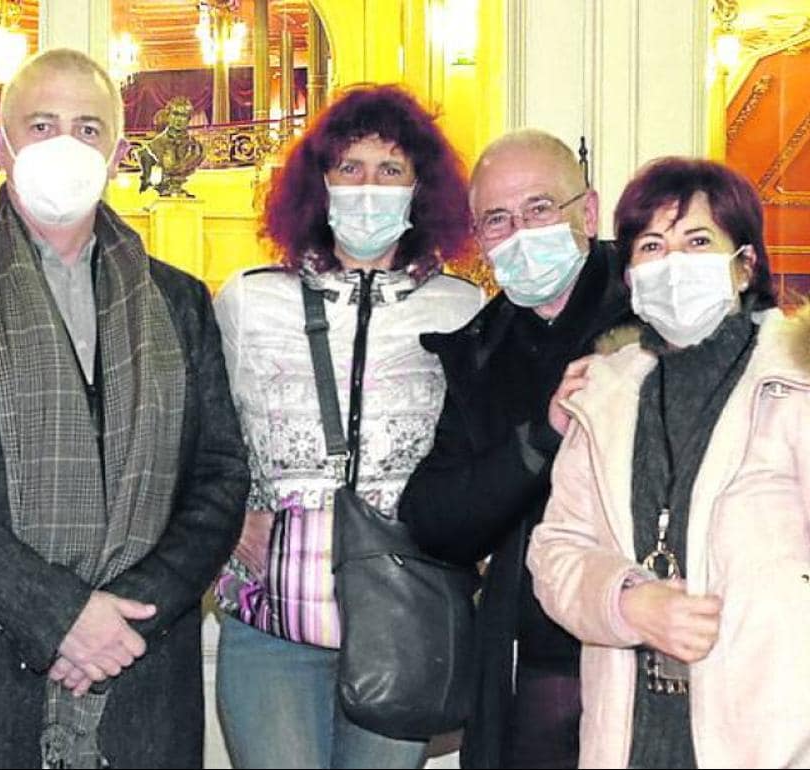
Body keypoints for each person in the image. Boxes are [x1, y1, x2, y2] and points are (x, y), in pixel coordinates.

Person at [0, 48, 251, 768]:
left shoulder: (179, 301)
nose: (65, 146)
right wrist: (62, 616)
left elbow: (220, 475)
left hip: (137, 665)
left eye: (87, 127)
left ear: (119, 151)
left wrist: (126, 614)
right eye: (41, 125)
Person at [210, 84, 485, 769]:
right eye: (350, 168)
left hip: (405, 623)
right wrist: (224, 519)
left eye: (391, 170)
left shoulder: (462, 308)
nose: (370, 186)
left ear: (419, 189)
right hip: (272, 621)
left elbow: (476, 459)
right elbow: (198, 439)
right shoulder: (248, 301)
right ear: (320, 183)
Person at [527, 157, 810, 768]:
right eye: (651, 245)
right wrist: (626, 601)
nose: (674, 262)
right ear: (629, 275)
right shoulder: (603, 391)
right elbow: (555, 551)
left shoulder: (795, 385)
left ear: (746, 264)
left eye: (698, 240)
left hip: (772, 741)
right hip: (630, 736)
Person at [397, 129, 634, 768]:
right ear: (479, 241)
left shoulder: (654, 309)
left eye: (539, 209)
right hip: (528, 659)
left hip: (651, 647)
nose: (521, 232)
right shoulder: (477, 348)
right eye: (497, 220)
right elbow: (435, 517)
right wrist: (537, 441)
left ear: (587, 212)